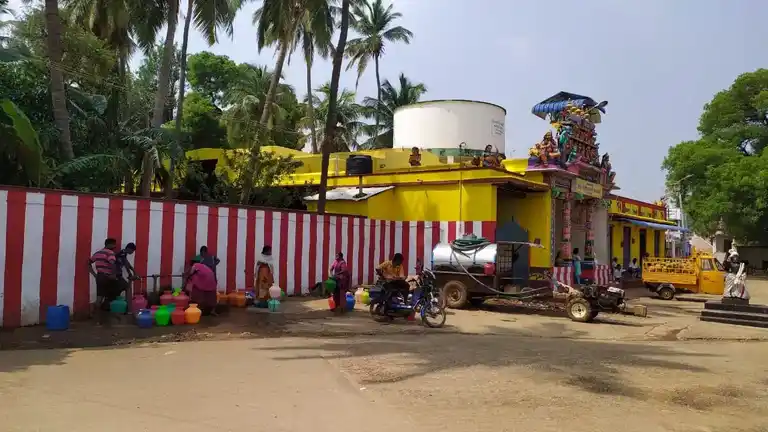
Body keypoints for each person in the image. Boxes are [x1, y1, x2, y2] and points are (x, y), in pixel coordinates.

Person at [88, 238, 119, 323]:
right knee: (107, 296)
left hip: (100, 276)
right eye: (114, 244)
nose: (115, 246)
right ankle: (97, 316)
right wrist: (113, 275)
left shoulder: (98, 253)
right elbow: (113, 264)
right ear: (110, 244)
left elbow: (88, 262)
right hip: (107, 277)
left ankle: (97, 312)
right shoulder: (110, 253)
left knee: (101, 296)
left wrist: (94, 274)